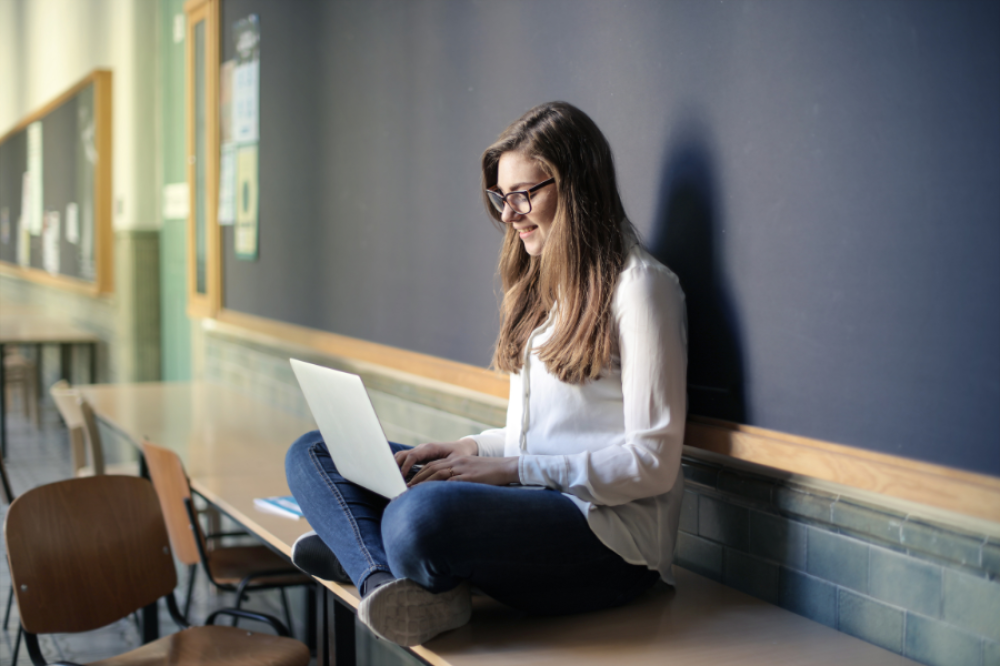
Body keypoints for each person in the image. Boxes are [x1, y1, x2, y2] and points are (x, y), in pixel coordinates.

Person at [285, 101, 687, 647]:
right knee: (313, 451)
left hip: (610, 543)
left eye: (524, 194)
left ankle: (366, 550)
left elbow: (654, 465)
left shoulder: (642, 288)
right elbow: (534, 438)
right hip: (534, 501)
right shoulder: (544, 291)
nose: (508, 214)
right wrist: (466, 449)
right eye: (502, 197)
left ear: (577, 187)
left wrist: (513, 472)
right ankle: (388, 582)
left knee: (421, 516)